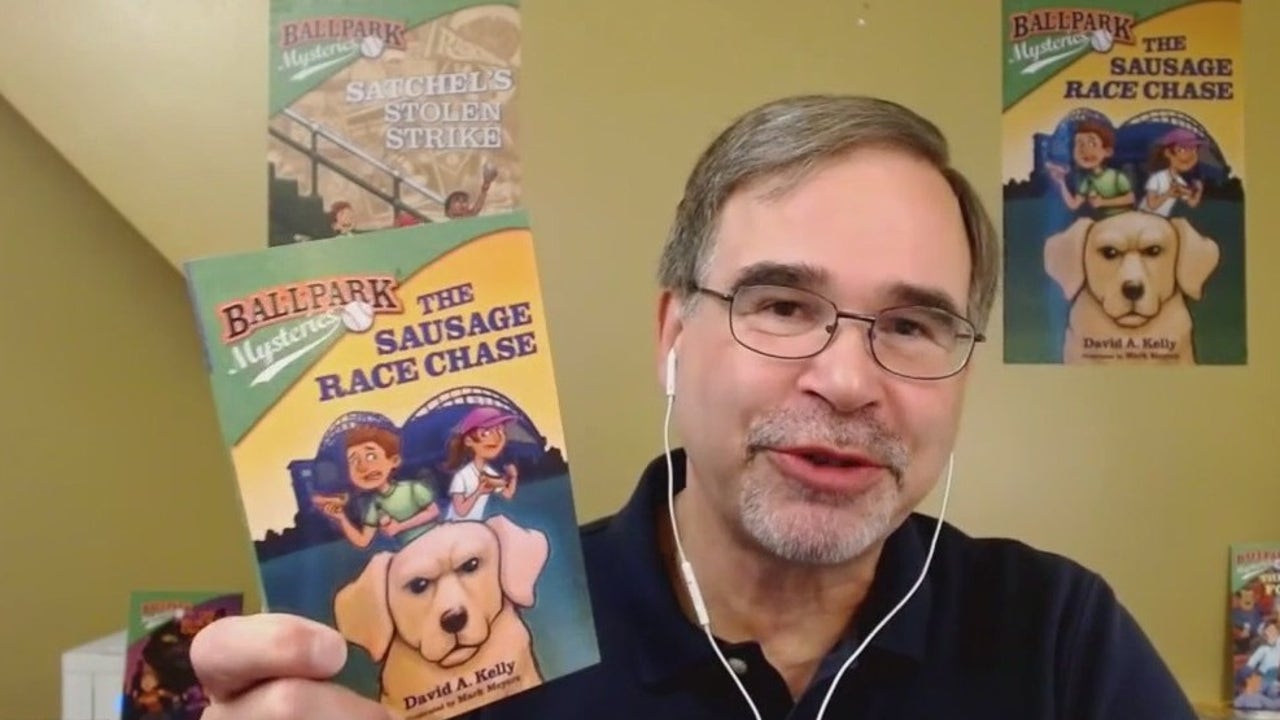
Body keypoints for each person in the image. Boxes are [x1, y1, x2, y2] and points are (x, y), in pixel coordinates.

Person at [190, 94, 1198, 720]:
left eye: (911, 324)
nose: (848, 380)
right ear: (673, 334)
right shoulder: (488, 629)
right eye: (782, 306)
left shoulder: (1056, 637)